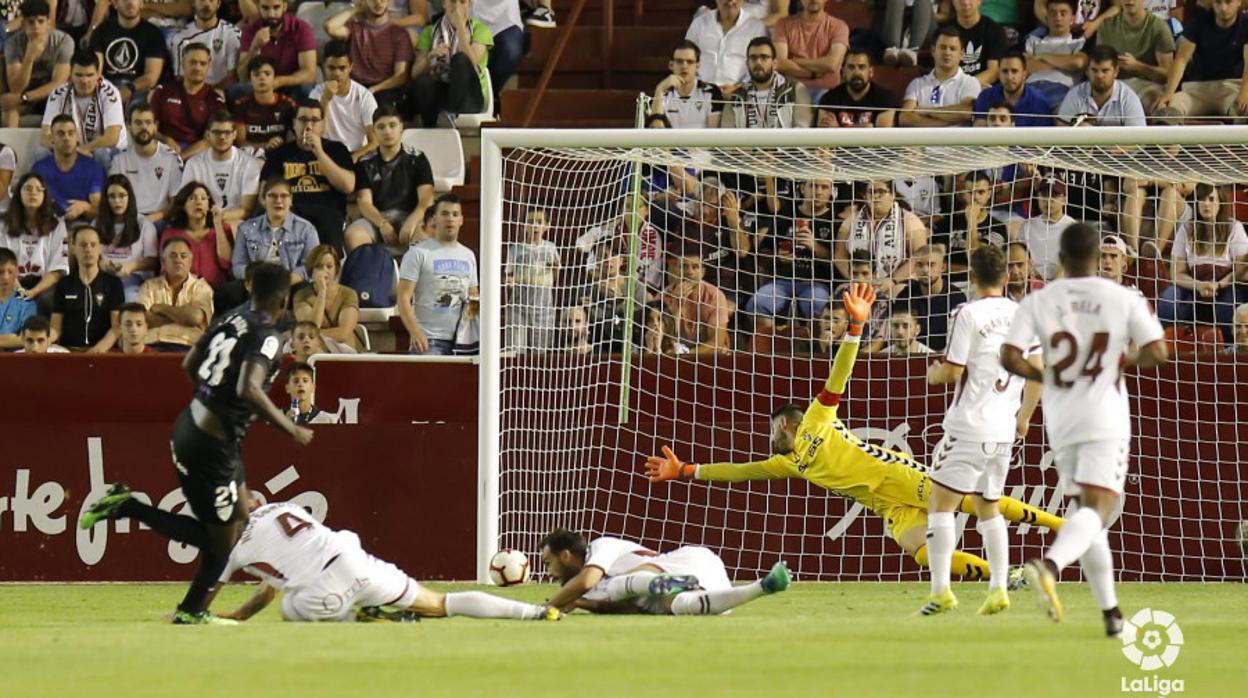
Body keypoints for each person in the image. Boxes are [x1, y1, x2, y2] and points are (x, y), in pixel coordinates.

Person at [647, 283, 1064, 584]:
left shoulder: (815, 420)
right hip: (886, 505)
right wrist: (687, 470)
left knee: (974, 503)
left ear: (789, 423)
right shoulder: (789, 463)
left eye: (774, 428)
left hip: (897, 475)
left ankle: (1060, 525)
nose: (771, 437)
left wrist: (854, 330)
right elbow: (741, 471)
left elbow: (839, 374)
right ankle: (1011, 577)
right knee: (923, 553)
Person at [80, 262, 314, 625]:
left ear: (252, 290)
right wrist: (290, 428)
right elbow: (249, 388)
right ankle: (187, 605)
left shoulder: (229, 318)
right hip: (210, 446)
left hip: (202, 428)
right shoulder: (267, 335)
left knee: (236, 525)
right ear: (283, 299)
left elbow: (190, 364)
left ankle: (189, 603)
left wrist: (213, 402)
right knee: (220, 542)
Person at [1001, 222, 1169, 636]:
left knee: (1085, 513)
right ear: (1098, 258)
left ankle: (1112, 616)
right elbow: (1159, 352)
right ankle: (1051, 565)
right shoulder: (1121, 296)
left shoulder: (1039, 300)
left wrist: (1049, 373)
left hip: (1061, 418)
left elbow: (1009, 356)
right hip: (1104, 415)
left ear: (1059, 258)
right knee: (1099, 511)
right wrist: (1119, 361)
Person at [920, 245, 1042, 616]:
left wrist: (934, 374)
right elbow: (1038, 371)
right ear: (1006, 278)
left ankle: (941, 591)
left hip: (969, 426)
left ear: (971, 278)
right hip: (1003, 431)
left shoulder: (967, 313)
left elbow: (953, 370)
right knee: (989, 505)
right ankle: (998, 589)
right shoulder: (1023, 314)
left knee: (940, 504)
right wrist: (1024, 417)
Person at [204, 499, 558, 622]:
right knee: (440, 603)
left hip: (324, 589)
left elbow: (209, 593)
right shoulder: (284, 507)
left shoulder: (231, 546)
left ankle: (360, 617)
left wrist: (204, 614)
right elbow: (274, 580)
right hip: (352, 559)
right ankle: (535, 613)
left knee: (291, 606)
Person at [538, 529, 790, 616]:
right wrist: (581, 603)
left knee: (614, 587)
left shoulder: (600, 547)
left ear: (566, 555)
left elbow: (587, 580)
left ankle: (661, 582)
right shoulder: (593, 590)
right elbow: (632, 609)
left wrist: (549, 606)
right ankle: (763, 586)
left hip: (683, 562)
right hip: (696, 581)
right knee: (687, 607)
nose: (549, 572)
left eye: (548, 563)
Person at [1156, 183, 1248, 341]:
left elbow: (1240, 271)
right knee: (1168, 299)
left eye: (1212, 199)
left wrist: (1218, 285)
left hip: (1225, 286)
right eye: (1202, 199)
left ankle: (1227, 349)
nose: (1206, 203)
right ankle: (1169, 345)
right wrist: (1198, 285)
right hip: (1194, 286)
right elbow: (1176, 274)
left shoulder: (1234, 227)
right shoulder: (1186, 229)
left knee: (1228, 305)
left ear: (1221, 202)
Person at [260, 99, 355, 250]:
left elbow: (348, 186)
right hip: (291, 212)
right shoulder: (279, 153)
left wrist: (319, 152)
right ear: (294, 124)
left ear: (323, 124)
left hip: (327, 213)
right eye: (303, 120)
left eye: (315, 120)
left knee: (330, 224)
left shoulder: (337, 150)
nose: (308, 126)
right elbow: (263, 193)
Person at [397, 193, 478, 355]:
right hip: (428, 340)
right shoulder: (418, 253)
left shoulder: (468, 255)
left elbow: (473, 296)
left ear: (461, 220)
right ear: (434, 219)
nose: (450, 219)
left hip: (462, 341)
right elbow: (403, 297)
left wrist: (472, 332)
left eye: (455, 214)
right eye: (445, 214)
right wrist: (415, 332)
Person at [747, 178, 835, 325]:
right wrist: (777, 257)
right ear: (802, 188)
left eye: (824, 187)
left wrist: (815, 246)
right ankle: (773, 346)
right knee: (756, 304)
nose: (818, 192)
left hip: (816, 283)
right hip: (782, 282)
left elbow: (838, 261)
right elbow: (763, 252)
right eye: (813, 185)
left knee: (819, 305)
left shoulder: (835, 219)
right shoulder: (787, 214)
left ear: (831, 191)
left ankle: (811, 347)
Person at [347, 103, 434, 247]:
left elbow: (426, 200)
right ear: (373, 132)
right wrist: (382, 223)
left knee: (424, 234)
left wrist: (411, 222)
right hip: (376, 219)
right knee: (353, 235)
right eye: (381, 127)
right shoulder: (365, 163)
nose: (387, 131)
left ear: (401, 127)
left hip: (411, 216)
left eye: (392, 125)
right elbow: (364, 203)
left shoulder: (418, 159)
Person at [1153, 0, 1248, 122]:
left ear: (1239, 2)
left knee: (1244, 112)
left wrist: (1245, 92)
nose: (1223, 8)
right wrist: (1169, 93)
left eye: (1228, 2)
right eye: (1218, 2)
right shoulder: (1198, 23)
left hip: (1231, 87)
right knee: (1166, 112)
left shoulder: (1245, 24)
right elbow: (1181, 60)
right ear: (1212, 3)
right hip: (1197, 89)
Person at [405, 0, 492, 127]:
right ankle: (430, 127)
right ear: (444, 4)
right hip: (441, 94)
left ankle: (451, 114)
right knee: (424, 81)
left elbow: (473, 62)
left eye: (462, 2)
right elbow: (415, 73)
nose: (456, 7)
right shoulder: (429, 31)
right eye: (452, 1)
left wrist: (460, 28)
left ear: (470, 4)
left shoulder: (480, 29)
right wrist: (430, 57)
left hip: (469, 96)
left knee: (460, 60)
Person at [834, 180, 928, 297]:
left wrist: (892, 280)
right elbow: (839, 255)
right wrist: (856, 277)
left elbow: (919, 256)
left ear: (893, 195)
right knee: (840, 293)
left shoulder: (909, 220)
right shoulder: (851, 220)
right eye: (871, 192)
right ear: (865, 196)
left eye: (881, 192)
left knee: (898, 293)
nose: (875, 196)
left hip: (900, 283)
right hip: (860, 281)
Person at [41, 49, 128, 168]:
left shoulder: (110, 94)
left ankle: (108, 186)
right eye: (79, 75)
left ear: (98, 74)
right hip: (68, 151)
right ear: (70, 74)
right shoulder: (58, 94)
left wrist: (79, 150)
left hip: (104, 152)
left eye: (90, 75)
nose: (84, 81)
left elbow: (111, 138)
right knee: (39, 153)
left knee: (101, 154)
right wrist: (68, 151)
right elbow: (45, 135)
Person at [0, 173, 69, 315]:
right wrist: (19, 290)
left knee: (47, 298)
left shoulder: (57, 225)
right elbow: (3, 262)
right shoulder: (4, 224)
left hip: (44, 285)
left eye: (39, 189)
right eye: (28, 188)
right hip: (11, 280)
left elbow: (58, 268)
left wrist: (34, 291)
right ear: (18, 193)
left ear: (45, 195)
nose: (33, 193)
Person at [1086, 0, 1174, 111]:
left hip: (1147, 86)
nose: (1130, 1)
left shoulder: (1159, 27)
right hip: (1113, 85)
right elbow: (1099, 65)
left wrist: (1138, 66)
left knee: (1154, 102)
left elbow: (1167, 75)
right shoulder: (1106, 26)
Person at [181, 110, 261, 229]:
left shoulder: (249, 164)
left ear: (234, 134)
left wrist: (219, 218)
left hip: (234, 222)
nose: (222, 137)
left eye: (227, 132)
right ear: (207, 135)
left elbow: (246, 210)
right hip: (202, 222)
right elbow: (187, 203)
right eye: (217, 132)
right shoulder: (194, 164)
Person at [51, 225, 125, 351]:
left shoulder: (113, 283)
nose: (88, 249)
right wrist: (44, 341)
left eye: (93, 245)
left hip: (103, 353)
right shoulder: (64, 284)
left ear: (100, 248)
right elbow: (55, 329)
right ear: (73, 248)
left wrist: (96, 352)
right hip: (69, 351)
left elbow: (116, 327)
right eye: (83, 245)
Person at [108, 102, 185, 223]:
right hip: (128, 219)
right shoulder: (120, 159)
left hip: (159, 219)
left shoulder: (171, 158)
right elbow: (114, 198)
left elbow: (175, 203)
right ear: (128, 125)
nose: (144, 127)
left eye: (148, 122)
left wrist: (150, 219)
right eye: (138, 123)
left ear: (156, 126)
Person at [231, 177, 317, 284]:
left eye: (284, 196)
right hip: (257, 282)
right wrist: (254, 277)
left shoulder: (306, 229)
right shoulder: (246, 228)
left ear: (291, 200)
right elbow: (238, 265)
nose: (278, 200)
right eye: (272, 196)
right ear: (264, 200)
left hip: (291, 283)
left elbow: (311, 265)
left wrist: (287, 280)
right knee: (230, 293)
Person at [150, 42, 228, 161]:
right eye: (192, 62)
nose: (197, 68)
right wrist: (165, 140)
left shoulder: (215, 100)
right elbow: (150, 128)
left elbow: (209, 140)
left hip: (196, 156)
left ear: (208, 66)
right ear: (182, 64)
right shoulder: (163, 91)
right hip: (161, 149)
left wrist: (179, 159)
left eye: (202, 63)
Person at [1, 0, 72, 128]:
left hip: (52, 97)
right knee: (9, 106)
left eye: (40, 21)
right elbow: (16, 88)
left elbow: (59, 83)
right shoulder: (13, 44)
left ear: (48, 22)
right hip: (24, 98)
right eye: (31, 22)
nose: (36, 26)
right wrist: (29, 57)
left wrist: (25, 97)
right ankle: (12, 147)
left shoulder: (63, 41)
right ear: (22, 24)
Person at [323, 0, 413, 100]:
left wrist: (374, 89)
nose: (378, 2)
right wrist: (357, 9)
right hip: (355, 88)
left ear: (390, 1)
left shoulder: (399, 33)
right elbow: (330, 27)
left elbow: (401, 76)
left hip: (385, 90)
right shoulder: (354, 28)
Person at [137, 236, 214, 350]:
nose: (178, 260)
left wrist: (162, 308)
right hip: (152, 345)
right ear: (163, 261)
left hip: (186, 347)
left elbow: (195, 317)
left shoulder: (201, 288)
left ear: (190, 260)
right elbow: (142, 318)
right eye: (173, 256)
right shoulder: (149, 286)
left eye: (183, 256)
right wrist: (183, 319)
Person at [721, 36, 814, 128]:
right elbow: (726, 135)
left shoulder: (795, 89)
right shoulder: (737, 97)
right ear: (747, 64)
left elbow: (802, 128)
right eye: (753, 58)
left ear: (774, 64)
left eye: (764, 57)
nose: (758, 62)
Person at [890, 244, 968, 352]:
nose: (925, 270)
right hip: (912, 355)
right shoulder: (906, 296)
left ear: (943, 267)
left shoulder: (956, 298)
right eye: (920, 265)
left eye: (931, 265)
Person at [309, 40, 379, 160]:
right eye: (331, 68)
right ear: (323, 67)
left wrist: (355, 157)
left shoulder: (364, 96)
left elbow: (375, 141)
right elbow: (314, 133)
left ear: (351, 67)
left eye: (342, 68)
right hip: (326, 155)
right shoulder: (316, 94)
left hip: (357, 155)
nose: (337, 73)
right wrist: (325, 99)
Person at [90, 0, 169, 104]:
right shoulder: (101, 31)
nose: (130, 3)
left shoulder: (153, 33)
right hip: (108, 86)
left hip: (138, 88)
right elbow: (96, 70)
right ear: (115, 4)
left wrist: (130, 87)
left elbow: (151, 77)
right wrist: (108, 90)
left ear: (141, 3)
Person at [899, 27, 982, 127]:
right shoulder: (917, 84)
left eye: (953, 48)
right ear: (933, 50)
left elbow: (966, 112)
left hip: (957, 142)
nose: (947, 52)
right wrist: (945, 122)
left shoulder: (970, 82)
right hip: (924, 142)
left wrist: (925, 111)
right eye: (943, 47)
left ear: (961, 54)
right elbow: (905, 118)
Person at [504, 206, 559, 354]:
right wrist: (510, 281)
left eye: (539, 221)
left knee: (540, 356)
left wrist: (555, 268)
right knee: (515, 353)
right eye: (530, 221)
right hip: (518, 307)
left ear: (546, 226)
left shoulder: (551, 248)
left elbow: (555, 279)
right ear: (524, 226)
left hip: (543, 308)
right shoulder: (515, 249)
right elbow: (508, 274)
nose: (534, 225)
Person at [160, 181, 234, 291]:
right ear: (183, 205)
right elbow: (166, 268)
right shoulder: (171, 233)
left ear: (209, 205)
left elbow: (226, 263)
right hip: (183, 291)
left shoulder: (223, 229)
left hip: (217, 291)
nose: (198, 202)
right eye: (192, 198)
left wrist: (218, 224)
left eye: (203, 198)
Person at [31, 114, 105, 224]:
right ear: (52, 139)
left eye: (71, 133)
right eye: (61, 134)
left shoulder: (93, 168)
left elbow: (101, 212)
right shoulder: (40, 168)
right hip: (48, 223)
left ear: (77, 137)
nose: (66, 138)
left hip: (81, 223)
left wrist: (85, 207)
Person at [661, 246, 734, 355]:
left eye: (695, 267)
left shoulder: (715, 296)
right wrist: (676, 307)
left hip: (710, 358)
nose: (689, 272)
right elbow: (662, 341)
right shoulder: (663, 296)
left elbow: (716, 343)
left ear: (703, 272)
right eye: (684, 266)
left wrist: (688, 355)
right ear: (675, 270)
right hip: (675, 356)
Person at [237, 0, 318, 99]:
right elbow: (242, 76)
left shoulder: (301, 28)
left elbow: (309, 73)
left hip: (291, 84)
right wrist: (255, 47)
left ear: (284, 6)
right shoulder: (250, 31)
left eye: (276, 7)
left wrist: (279, 81)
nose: (271, 14)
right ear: (258, 7)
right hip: (261, 85)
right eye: (265, 8)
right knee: (238, 90)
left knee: (307, 88)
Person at [931, 171, 1010, 270]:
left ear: (989, 194)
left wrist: (971, 220)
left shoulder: (998, 227)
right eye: (970, 192)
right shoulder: (948, 222)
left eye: (981, 192)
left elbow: (977, 259)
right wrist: (968, 270)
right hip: (949, 282)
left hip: (980, 283)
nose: (975, 197)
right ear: (963, 194)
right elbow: (937, 263)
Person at [96, 174, 159, 300]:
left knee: (129, 298)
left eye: (122, 195)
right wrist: (99, 264)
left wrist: (131, 267)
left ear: (129, 197)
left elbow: (153, 260)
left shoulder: (144, 224)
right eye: (112, 197)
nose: (117, 201)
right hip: (103, 277)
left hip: (133, 277)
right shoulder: (97, 224)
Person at [772, 0, 849, 100]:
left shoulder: (838, 26)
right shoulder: (783, 24)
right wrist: (813, 74)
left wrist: (794, 61)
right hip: (792, 90)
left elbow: (831, 64)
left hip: (828, 91)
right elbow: (780, 63)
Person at [685, 0, 769, 91]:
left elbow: (760, 65)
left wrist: (738, 88)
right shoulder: (700, 23)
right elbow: (685, 56)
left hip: (738, 95)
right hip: (700, 93)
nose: (731, 1)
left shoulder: (756, 26)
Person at [292, 244, 361, 352]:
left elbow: (343, 333)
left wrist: (301, 335)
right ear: (311, 270)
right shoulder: (302, 295)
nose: (325, 271)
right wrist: (322, 293)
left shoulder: (348, 294)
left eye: (329, 266)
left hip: (345, 350)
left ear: (336, 269)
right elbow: (310, 328)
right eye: (319, 267)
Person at [1057, 45, 1148, 126]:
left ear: (1116, 72)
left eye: (1105, 71)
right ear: (1087, 71)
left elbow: (1138, 141)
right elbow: (1061, 131)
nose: (1099, 76)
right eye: (1094, 70)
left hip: (1116, 145)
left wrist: (1103, 145)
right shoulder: (1075, 94)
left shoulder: (1128, 98)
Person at [1024, 0, 1088, 107]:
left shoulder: (1079, 42)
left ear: (1072, 19)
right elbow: (1026, 67)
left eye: (1063, 13)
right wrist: (1064, 63)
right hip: (1030, 88)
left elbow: (1077, 63)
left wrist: (1041, 56)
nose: (1058, 18)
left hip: (1061, 90)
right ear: (1047, 18)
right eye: (1053, 14)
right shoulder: (1033, 40)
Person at [168, 0, 243, 92]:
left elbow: (232, 78)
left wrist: (207, 95)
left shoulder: (232, 33)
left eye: (211, 0)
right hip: (191, 93)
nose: (206, 4)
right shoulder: (180, 38)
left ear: (218, 4)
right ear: (193, 2)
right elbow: (180, 78)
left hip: (222, 91)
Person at [231, 56, 297, 156]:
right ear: (250, 79)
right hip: (250, 155)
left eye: (267, 74)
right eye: (256, 74)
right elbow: (241, 143)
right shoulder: (241, 104)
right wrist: (265, 145)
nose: (262, 78)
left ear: (275, 77)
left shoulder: (288, 104)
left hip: (280, 155)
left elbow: (299, 135)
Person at [651, 40, 724, 129]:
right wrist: (660, 89)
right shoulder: (662, 92)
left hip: (702, 142)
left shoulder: (711, 92)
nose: (684, 66)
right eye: (679, 61)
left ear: (697, 67)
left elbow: (713, 135)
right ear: (671, 65)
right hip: (670, 142)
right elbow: (656, 132)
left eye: (689, 62)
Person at [817, 49, 898, 128]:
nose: (856, 72)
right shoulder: (829, 98)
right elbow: (824, 133)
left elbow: (882, 135)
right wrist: (865, 128)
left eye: (861, 67)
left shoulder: (886, 98)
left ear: (871, 72)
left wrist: (838, 129)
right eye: (851, 67)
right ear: (844, 71)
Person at [972, 52, 1056, 126]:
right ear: (999, 73)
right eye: (1005, 71)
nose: (1009, 77)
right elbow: (978, 131)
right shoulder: (986, 96)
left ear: (1024, 74)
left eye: (1014, 71)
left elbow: (1042, 139)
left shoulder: (1038, 101)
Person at [1016, 176, 1076, 281]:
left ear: (1065, 200)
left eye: (1054, 195)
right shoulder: (1027, 226)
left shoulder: (1073, 228)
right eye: (1044, 195)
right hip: (1031, 283)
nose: (1048, 200)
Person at [945, 0, 1009, 88]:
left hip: (984, 88)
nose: (966, 2)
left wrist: (967, 86)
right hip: (951, 87)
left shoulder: (994, 30)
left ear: (979, 1)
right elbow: (942, 69)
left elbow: (993, 71)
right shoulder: (944, 32)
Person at [0, 247, 37, 350]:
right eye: (1, 272)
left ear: (16, 271)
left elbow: (26, 339)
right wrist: (10, 339)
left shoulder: (27, 303)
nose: (5, 277)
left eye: (10, 272)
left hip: (13, 359)